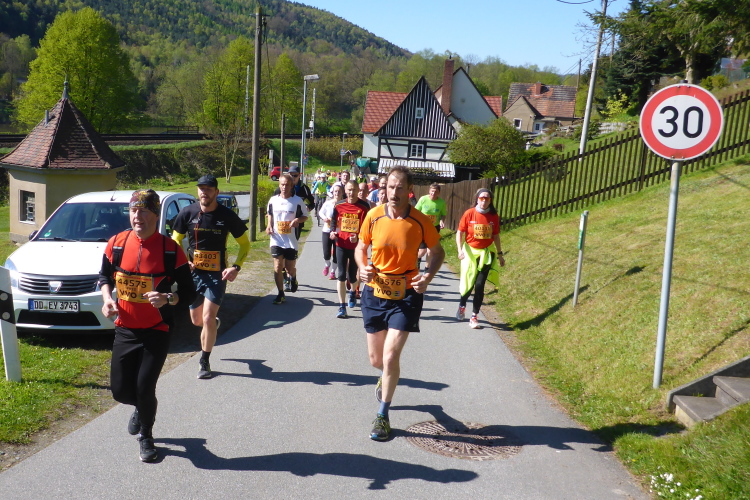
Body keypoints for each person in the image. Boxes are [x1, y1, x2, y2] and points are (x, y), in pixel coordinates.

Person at [99, 189, 196, 462]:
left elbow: (189, 292)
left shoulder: (169, 249)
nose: (137, 216)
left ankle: (146, 435)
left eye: (143, 211)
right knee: (120, 391)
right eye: (133, 211)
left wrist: (168, 298)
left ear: (155, 214)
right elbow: (104, 277)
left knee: (145, 387)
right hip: (125, 328)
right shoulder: (117, 244)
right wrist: (107, 299)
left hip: (157, 329)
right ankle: (141, 408)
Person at [355, 165, 445, 441]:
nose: (393, 193)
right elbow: (361, 247)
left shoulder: (420, 221)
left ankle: (383, 415)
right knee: (376, 360)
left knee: (391, 356)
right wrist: (362, 267)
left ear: (410, 191)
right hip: (375, 290)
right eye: (390, 187)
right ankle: (385, 376)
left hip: (406, 294)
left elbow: (437, 252)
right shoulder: (373, 215)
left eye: (399, 188)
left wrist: (427, 277)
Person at [172, 174, 250, 379]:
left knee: (207, 318)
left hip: (217, 275)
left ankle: (204, 361)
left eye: (208, 189)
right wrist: (184, 261)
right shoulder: (187, 212)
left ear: (216, 192)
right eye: (201, 188)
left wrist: (236, 267)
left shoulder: (227, 215)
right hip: (193, 275)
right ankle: (213, 325)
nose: (204, 192)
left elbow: (245, 244)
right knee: (197, 320)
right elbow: (175, 240)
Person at [455, 188, 505, 329]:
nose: (484, 200)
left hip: (486, 253)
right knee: (468, 282)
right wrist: (459, 250)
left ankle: (474, 316)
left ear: (490, 201)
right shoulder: (469, 213)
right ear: (477, 199)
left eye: (487, 198)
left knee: (479, 284)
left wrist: (500, 254)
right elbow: (460, 232)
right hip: (470, 252)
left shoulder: (493, 216)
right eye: (481, 198)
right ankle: (462, 306)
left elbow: (496, 236)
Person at [266, 173, 309, 304]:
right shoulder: (273, 200)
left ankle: (293, 278)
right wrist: (269, 225)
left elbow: (305, 216)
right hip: (276, 238)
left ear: (291, 186)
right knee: (278, 266)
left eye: (287, 185)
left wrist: (297, 220)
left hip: (291, 240)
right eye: (282, 184)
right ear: (279, 185)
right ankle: (280, 293)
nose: (284, 187)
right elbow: (270, 213)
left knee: (289, 268)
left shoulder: (297, 201)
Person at [330, 180, 370, 319]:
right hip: (341, 244)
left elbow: (367, 228)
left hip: (356, 247)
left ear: (358, 190)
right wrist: (332, 232)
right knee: (341, 275)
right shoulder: (339, 205)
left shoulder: (364, 207)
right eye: (349, 190)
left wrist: (358, 237)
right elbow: (334, 221)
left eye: (354, 190)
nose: (351, 192)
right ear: (345, 191)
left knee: (352, 276)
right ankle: (342, 307)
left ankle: (353, 292)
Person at [415, 183, 448, 272]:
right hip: (422, 228)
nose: (433, 193)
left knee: (430, 251)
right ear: (429, 191)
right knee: (422, 252)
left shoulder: (441, 202)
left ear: (439, 193)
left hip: (434, 228)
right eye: (432, 191)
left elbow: (443, 214)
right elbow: (416, 211)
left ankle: (427, 269)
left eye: (436, 192)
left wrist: (441, 221)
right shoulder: (423, 199)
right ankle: (417, 260)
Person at [319, 183, 344, 280]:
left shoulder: (344, 204)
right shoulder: (328, 203)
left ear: (342, 193)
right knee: (326, 253)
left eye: (339, 191)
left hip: (338, 232)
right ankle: (327, 264)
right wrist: (324, 218)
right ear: (333, 192)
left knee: (337, 254)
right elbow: (320, 212)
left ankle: (333, 272)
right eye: (335, 191)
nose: (337, 193)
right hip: (327, 230)